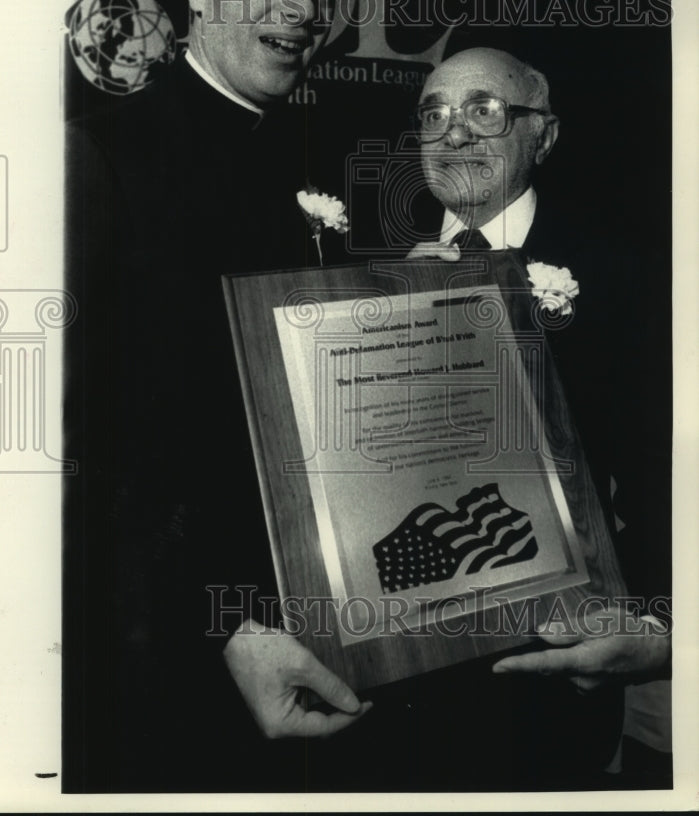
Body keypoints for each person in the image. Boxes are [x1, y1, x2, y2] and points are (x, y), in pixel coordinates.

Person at [223, 47, 672, 791]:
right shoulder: (343, 256)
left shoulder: (631, 274)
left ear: (544, 135)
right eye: (432, 113)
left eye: (483, 109)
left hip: (541, 697)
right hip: (363, 700)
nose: (452, 131)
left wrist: (657, 630)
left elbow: (670, 473)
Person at [63, 0, 353, 792]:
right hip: (165, 651)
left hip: (313, 624)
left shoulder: (317, 163)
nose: (302, 8)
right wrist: (220, 622)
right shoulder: (98, 155)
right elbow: (74, 452)